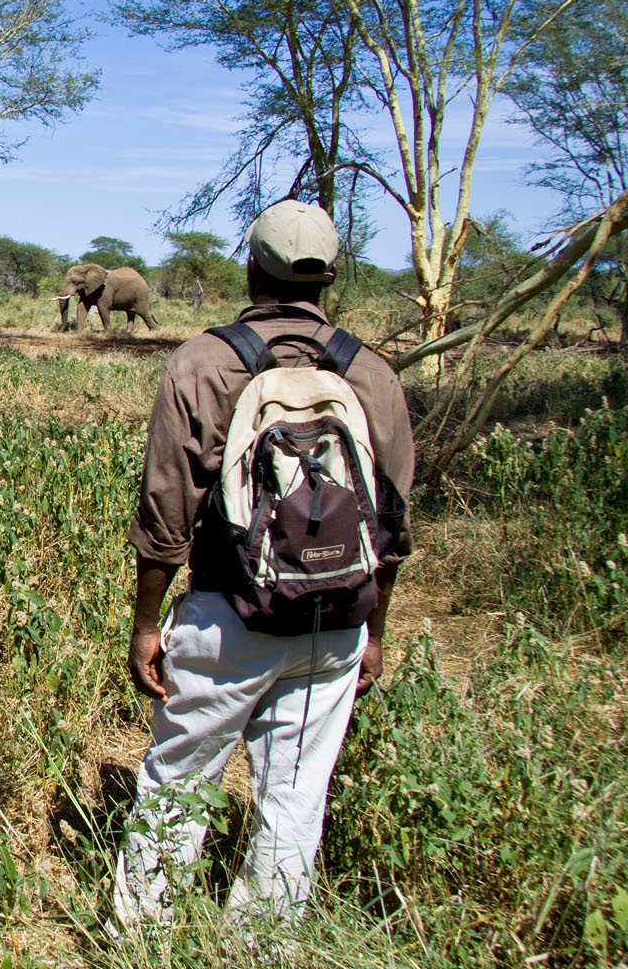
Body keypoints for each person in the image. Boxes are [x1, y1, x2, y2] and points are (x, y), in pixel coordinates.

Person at [112, 200, 414, 929]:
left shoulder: (203, 363)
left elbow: (166, 515)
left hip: (228, 613)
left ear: (251, 267)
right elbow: (392, 526)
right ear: (331, 277)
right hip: (335, 621)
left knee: (178, 782)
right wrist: (373, 631)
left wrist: (147, 624)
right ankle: (264, 943)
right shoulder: (372, 372)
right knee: (296, 795)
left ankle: (142, 936)